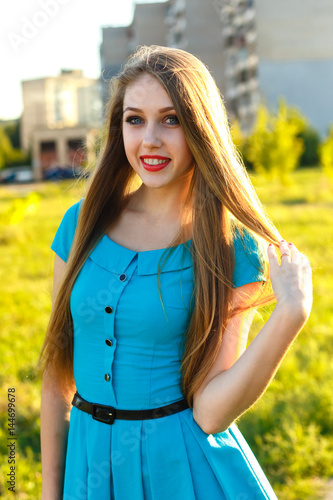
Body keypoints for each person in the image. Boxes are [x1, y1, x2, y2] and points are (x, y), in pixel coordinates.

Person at [38, 45, 312, 500]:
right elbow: (56, 372)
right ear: (118, 126)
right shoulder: (80, 224)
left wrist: (291, 315)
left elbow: (209, 412)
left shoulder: (230, 247)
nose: (150, 140)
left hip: (183, 472)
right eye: (134, 119)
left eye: (171, 119)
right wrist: (50, 492)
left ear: (200, 128)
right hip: (88, 471)